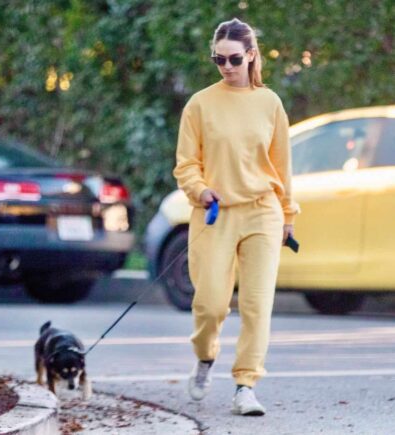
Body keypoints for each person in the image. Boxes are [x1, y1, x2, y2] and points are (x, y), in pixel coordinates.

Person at [173, 18, 300, 416]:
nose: (226, 66)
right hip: (215, 214)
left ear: (251, 56)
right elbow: (185, 165)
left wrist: (288, 215)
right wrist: (200, 189)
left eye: (233, 58)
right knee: (210, 305)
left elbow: (282, 166)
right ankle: (205, 356)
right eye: (218, 59)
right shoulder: (200, 103)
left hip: (263, 212)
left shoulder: (270, 103)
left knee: (257, 305)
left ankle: (246, 384)